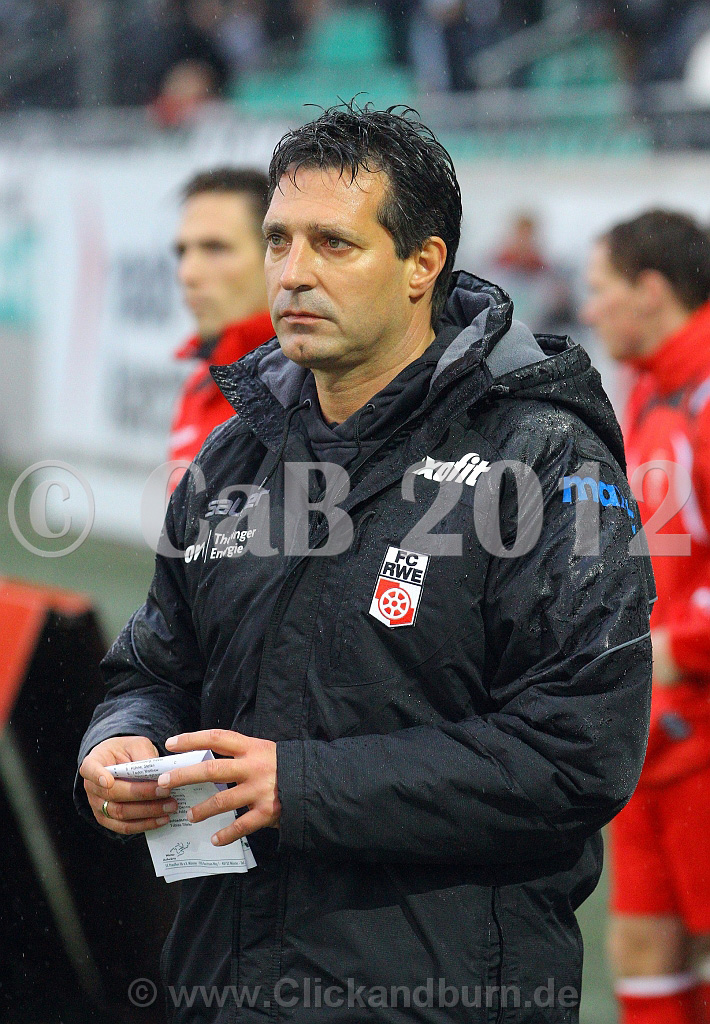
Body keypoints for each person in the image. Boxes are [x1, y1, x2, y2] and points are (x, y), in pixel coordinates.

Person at [76, 103, 653, 1024]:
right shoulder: (233, 456)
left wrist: (303, 784)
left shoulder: (541, 460)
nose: (292, 273)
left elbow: (578, 754)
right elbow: (154, 668)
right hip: (225, 990)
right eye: (279, 240)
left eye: (334, 244)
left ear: (423, 264)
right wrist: (119, 741)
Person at [582, 209, 710, 1024]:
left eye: (602, 289)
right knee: (641, 945)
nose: (589, 308)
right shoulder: (652, 386)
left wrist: (678, 645)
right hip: (653, 725)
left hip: (698, 720)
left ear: (651, 290)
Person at [169, 167, 274, 465]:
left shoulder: (313, 390)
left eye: (215, 248)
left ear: (276, 255)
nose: (187, 274)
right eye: (182, 252)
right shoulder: (199, 383)